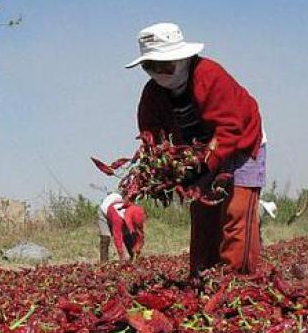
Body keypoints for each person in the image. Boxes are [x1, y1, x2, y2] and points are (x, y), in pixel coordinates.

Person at [128, 22, 266, 276]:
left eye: (165, 64)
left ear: (182, 58)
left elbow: (229, 129)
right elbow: (151, 137)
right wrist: (166, 171)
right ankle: (203, 278)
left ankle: (238, 281)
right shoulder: (153, 95)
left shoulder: (209, 75)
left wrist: (203, 166)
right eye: (150, 67)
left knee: (236, 213)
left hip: (242, 144)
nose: (158, 72)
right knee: (203, 213)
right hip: (199, 154)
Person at [97, 192, 146, 263]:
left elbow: (140, 234)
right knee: (106, 238)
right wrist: (121, 255)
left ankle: (134, 257)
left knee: (128, 236)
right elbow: (117, 237)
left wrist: (138, 246)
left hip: (116, 209)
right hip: (104, 213)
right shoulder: (118, 218)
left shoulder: (135, 212)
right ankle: (103, 262)